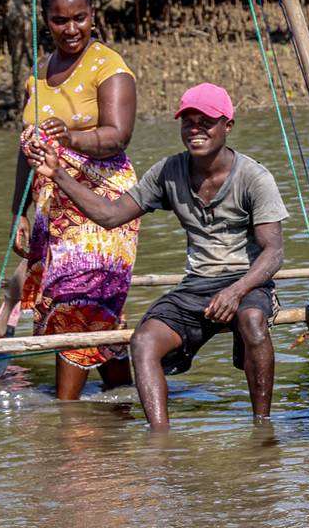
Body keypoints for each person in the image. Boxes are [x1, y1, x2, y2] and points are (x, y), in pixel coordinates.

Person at [27, 83, 287, 429]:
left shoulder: (254, 177)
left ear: (227, 126)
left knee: (253, 321)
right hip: (198, 285)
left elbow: (273, 254)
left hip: (246, 281)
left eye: (206, 122)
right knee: (144, 341)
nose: (196, 130)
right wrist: (57, 174)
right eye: (188, 122)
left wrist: (235, 292)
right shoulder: (168, 172)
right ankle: (159, 438)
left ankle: (262, 427)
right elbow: (110, 215)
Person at [12, 0, 140, 399]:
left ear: (93, 14)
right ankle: (123, 401)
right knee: (70, 306)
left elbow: (117, 135)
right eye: (60, 20)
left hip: (103, 205)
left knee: (79, 303)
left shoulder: (109, 65)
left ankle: (64, 419)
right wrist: (19, 213)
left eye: (79, 18)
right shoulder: (38, 73)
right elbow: (24, 149)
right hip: (52, 207)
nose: (71, 29)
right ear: (45, 20)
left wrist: (73, 137)